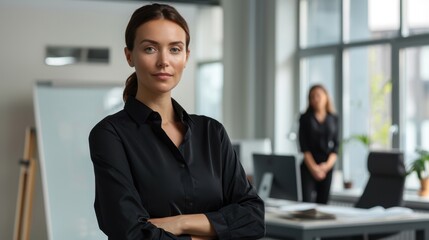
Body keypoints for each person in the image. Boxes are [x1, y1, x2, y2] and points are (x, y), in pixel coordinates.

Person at [88, 3, 265, 240]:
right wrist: (215, 233)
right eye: (150, 49)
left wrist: (180, 223)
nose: (164, 61)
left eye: (174, 49)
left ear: (186, 56)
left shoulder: (212, 132)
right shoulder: (110, 135)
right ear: (129, 56)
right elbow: (131, 233)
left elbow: (253, 218)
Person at [298, 84, 339, 204]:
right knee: (306, 203)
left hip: (327, 166)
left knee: (323, 203)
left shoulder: (334, 118)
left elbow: (336, 146)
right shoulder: (305, 118)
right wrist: (314, 169)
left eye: (318, 96)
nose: (315, 99)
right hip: (309, 166)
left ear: (326, 97)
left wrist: (326, 167)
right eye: (312, 97)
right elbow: (303, 146)